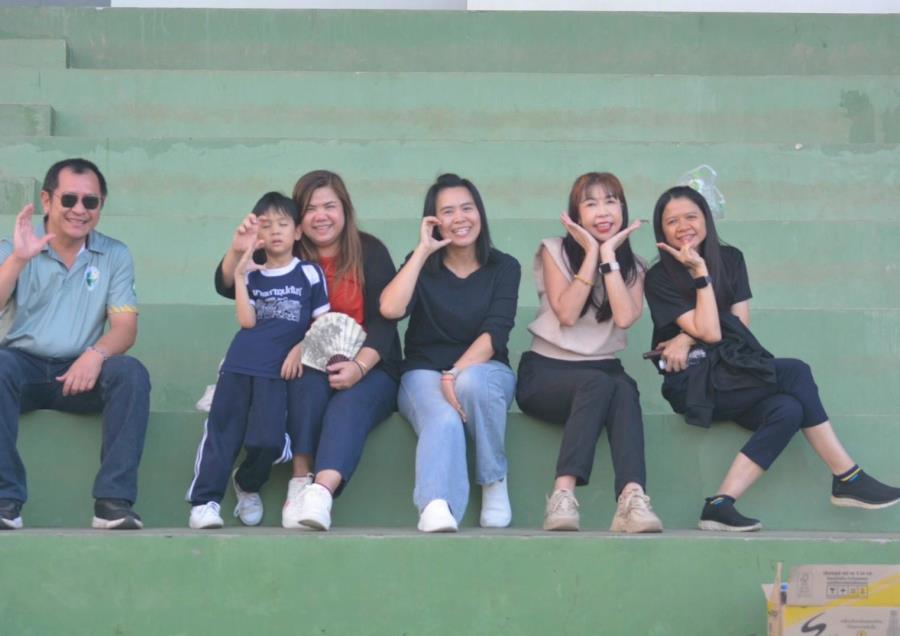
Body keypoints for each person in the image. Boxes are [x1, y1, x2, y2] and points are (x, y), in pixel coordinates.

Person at [644, 185, 900, 531]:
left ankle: (719, 505)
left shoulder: (731, 259)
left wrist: (686, 335)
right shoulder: (659, 277)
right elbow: (715, 333)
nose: (683, 226)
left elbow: (739, 325)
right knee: (795, 372)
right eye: (672, 221)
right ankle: (847, 476)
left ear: (706, 219)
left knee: (788, 409)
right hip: (692, 381)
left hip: (734, 370)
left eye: (691, 216)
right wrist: (701, 277)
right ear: (661, 230)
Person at [215, 170, 401, 531]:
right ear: (298, 220)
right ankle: (299, 481)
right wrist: (239, 248)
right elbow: (226, 285)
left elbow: (385, 322)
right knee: (305, 378)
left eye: (329, 206)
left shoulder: (370, 251)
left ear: (344, 209)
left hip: (371, 366)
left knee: (348, 402)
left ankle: (320, 494)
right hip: (301, 361)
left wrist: (359, 368)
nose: (321, 216)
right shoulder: (287, 249)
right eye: (311, 209)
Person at [0, 158, 150, 530]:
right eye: (69, 199)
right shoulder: (14, 247)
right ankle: (5, 501)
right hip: (20, 366)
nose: (79, 210)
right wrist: (18, 260)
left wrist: (95, 354)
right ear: (47, 200)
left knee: (131, 373)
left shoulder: (114, 254)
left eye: (90, 201)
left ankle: (112, 503)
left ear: (101, 206)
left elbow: (125, 328)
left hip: (80, 372)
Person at [516, 172, 663, 533]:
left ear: (623, 209)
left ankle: (632, 498)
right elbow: (566, 314)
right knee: (602, 383)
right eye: (591, 203)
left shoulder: (635, 267)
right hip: (547, 373)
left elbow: (625, 317)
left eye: (611, 201)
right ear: (576, 214)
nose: (603, 211)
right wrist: (592, 254)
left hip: (602, 373)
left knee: (623, 388)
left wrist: (609, 256)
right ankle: (562, 495)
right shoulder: (554, 250)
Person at [380, 173, 520, 532]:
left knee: (473, 382)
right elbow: (391, 309)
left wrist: (453, 374)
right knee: (443, 418)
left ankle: (494, 481)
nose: (460, 218)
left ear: (480, 213)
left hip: (485, 371)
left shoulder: (504, 267)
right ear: (434, 221)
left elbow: (495, 333)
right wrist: (422, 251)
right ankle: (435, 506)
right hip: (422, 373)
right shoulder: (421, 264)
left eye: (467, 208)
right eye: (448, 212)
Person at [188, 192, 329, 529]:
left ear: (298, 231)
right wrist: (240, 276)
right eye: (266, 225)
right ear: (258, 234)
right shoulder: (252, 273)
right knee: (222, 434)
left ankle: (247, 482)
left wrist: (302, 347)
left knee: (269, 442)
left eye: (283, 224)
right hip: (240, 364)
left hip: (276, 372)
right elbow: (247, 322)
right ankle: (204, 504)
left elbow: (323, 323)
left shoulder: (309, 273)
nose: (275, 231)